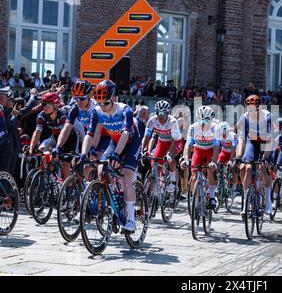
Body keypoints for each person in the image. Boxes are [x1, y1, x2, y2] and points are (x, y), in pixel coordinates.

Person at [81, 80, 141, 232]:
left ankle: (131, 220)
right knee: (101, 171)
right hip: (115, 142)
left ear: (113, 98)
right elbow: (90, 134)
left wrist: (116, 155)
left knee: (126, 176)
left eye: (106, 103)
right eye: (100, 103)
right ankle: (115, 201)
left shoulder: (125, 110)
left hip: (131, 143)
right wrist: (85, 153)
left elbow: (126, 133)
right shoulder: (96, 111)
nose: (103, 106)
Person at [235, 95, 273, 215]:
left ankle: (268, 200)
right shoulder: (244, 118)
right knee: (246, 167)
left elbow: (270, 139)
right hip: (251, 142)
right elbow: (241, 140)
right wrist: (238, 157)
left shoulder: (267, 116)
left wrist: (265, 156)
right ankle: (246, 201)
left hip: (265, 142)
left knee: (263, 167)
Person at [28, 92, 75, 180]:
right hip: (55, 137)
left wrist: (57, 148)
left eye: (47, 104)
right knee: (45, 157)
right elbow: (37, 132)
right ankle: (50, 180)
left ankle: (68, 190)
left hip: (69, 138)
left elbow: (63, 133)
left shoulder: (63, 114)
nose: (44, 107)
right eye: (43, 104)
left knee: (66, 166)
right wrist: (31, 148)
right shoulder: (42, 115)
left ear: (56, 105)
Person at [180, 106, 220, 208]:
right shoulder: (193, 127)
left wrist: (214, 162)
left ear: (210, 119)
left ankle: (211, 196)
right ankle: (196, 199)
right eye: (200, 119)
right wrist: (185, 159)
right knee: (193, 176)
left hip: (210, 151)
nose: (203, 122)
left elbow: (216, 146)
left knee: (210, 170)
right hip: (198, 151)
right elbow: (188, 145)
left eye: (206, 120)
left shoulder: (215, 128)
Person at [141, 100, 182, 194]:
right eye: (158, 112)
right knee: (155, 163)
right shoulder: (152, 120)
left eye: (163, 113)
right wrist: (144, 150)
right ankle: (159, 184)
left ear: (167, 113)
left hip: (174, 142)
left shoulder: (173, 121)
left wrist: (169, 154)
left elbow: (174, 140)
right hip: (162, 142)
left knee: (170, 158)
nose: (160, 115)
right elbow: (147, 136)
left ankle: (172, 180)